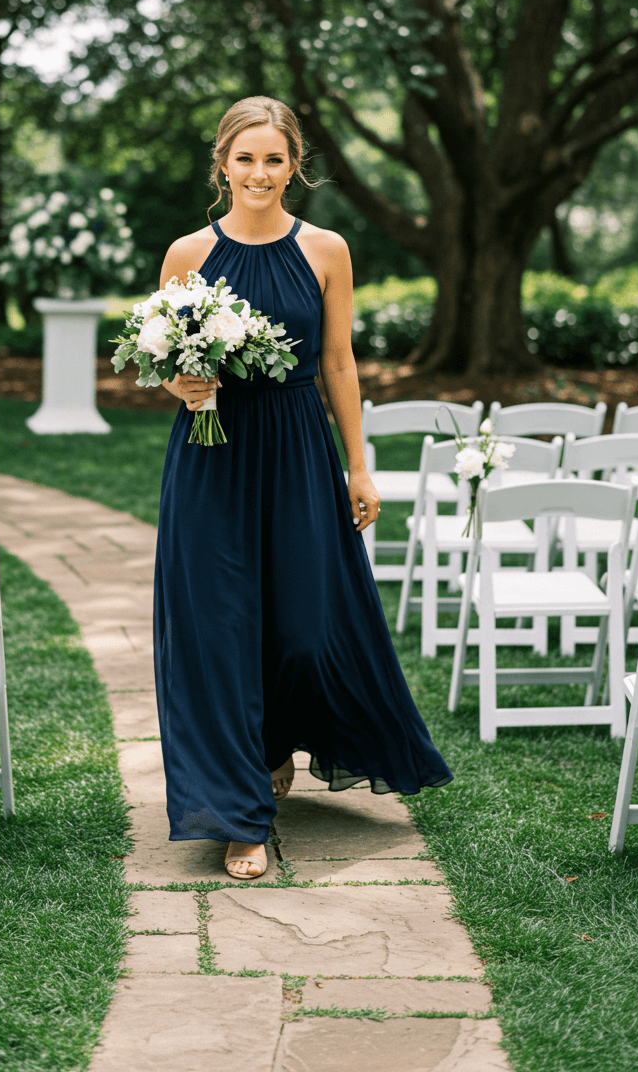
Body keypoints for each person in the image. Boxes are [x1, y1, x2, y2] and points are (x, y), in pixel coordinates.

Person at [153, 96, 452, 881]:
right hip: (211, 454)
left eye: (274, 159)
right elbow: (168, 363)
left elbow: (339, 363)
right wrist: (183, 385)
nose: (259, 173)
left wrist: (359, 463)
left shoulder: (326, 249)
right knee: (217, 630)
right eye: (245, 158)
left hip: (295, 449)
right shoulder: (186, 252)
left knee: (306, 626)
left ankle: (276, 739)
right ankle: (239, 816)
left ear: (295, 168)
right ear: (222, 164)